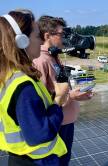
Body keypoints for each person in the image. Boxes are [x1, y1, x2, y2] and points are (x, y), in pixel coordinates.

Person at [0, 10, 69, 165]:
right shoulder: (23, 86)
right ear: (22, 41)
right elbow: (40, 135)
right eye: (38, 36)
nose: (41, 42)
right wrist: (58, 99)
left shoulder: (9, 76)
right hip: (36, 160)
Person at [33, 15, 93, 166]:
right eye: (61, 34)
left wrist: (73, 95)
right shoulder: (40, 60)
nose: (65, 38)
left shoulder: (53, 56)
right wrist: (71, 96)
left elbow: (57, 88)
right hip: (56, 125)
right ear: (47, 36)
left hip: (65, 123)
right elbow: (41, 100)